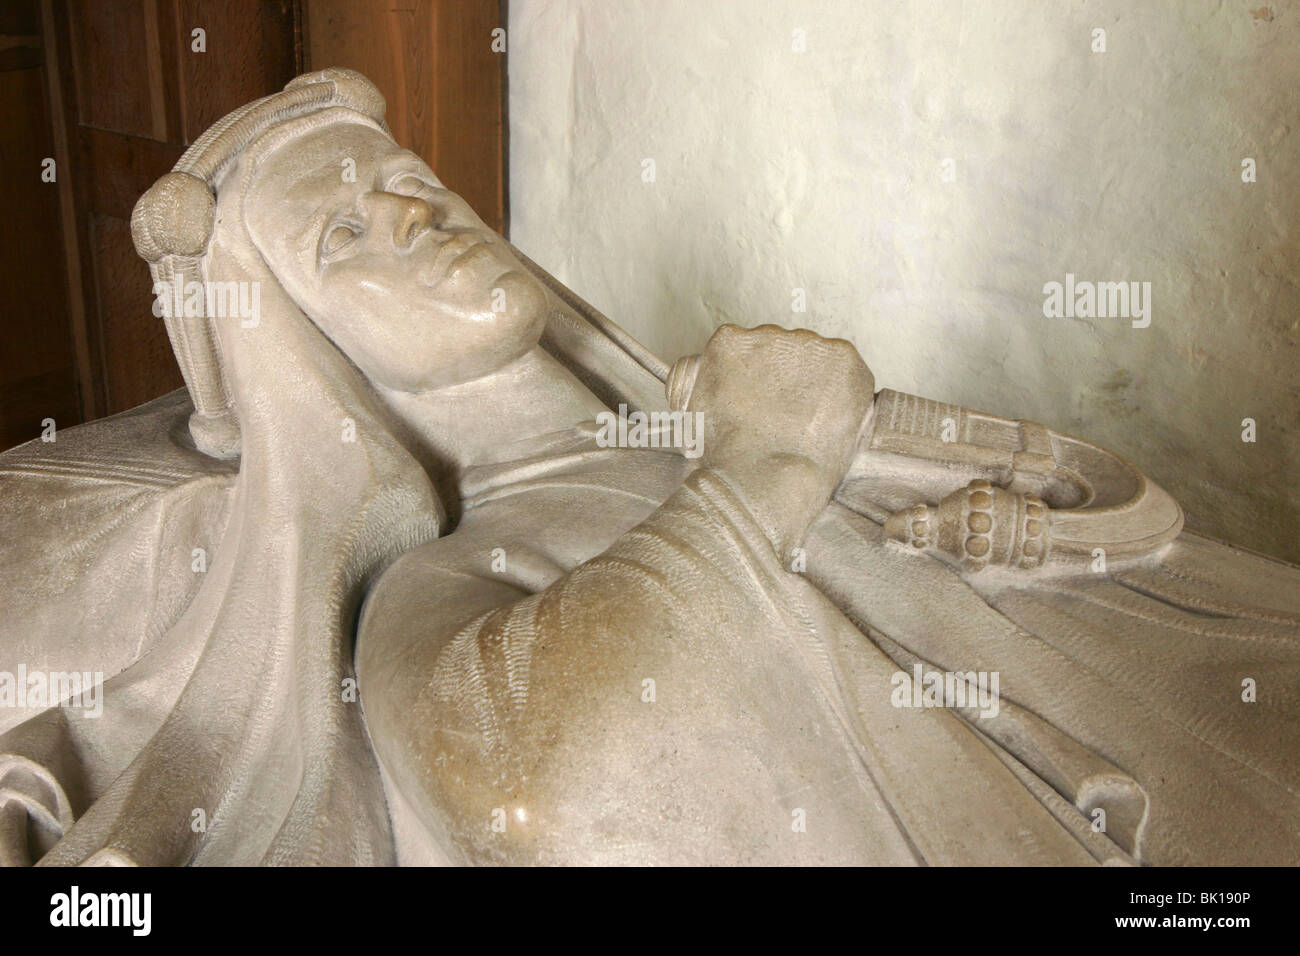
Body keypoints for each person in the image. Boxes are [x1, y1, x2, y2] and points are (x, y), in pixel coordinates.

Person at [0, 70, 1295, 866]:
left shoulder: (704, 410)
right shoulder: (458, 570)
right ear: (309, 354)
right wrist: (762, 472)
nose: (412, 209)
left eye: (401, 179)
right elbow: (524, 793)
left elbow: (1110, 522)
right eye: (346, 234)